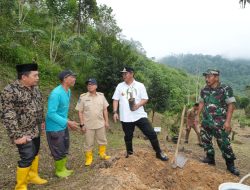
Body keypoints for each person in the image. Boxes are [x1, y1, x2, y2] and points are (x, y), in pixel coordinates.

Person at [0, 63, 48, 190]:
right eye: (35, 75)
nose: (38, 78)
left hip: (35, 128)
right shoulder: (10, 91)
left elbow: (39, 107)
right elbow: (8, 114)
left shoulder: (35, 88)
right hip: (22, 131)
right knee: (27, 156)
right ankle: (21, 186)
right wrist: (16, 135)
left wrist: (42, 123)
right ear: (24, 77)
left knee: (35, 152)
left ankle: (32, 176)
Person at [112, 66, 168, 161]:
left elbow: (145, 98)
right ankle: (130, 154)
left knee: (151, 133)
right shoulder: (120, 86)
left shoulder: (140, 85)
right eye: (123, 74)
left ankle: (159, 152)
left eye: (125, 73)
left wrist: (137, 105)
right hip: (126, 117)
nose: (123, 75)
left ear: (132, 74)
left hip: (139, 115)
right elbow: (115, 99)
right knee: (128, 136)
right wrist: (114, 112)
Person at [197, 69, 240, 176]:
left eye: (209, 76)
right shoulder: (204, 89)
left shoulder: (226, 89)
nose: (207, 79)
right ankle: (210, 158)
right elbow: (201, 102)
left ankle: (230, 164)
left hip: (220, 122)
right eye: (206, 77)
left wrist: (228, 122)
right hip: (206, 120)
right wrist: (197, 116)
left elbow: (231, 105)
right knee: (205, 139)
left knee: (224, 143)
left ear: (216, 77)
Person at [45, 70, 78, 178]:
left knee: (64, 147)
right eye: (72, 77)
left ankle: (63, 168)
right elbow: (51, 113)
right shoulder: (56, 93)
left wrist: (67, 122)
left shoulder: (68, 91)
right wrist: (67, 122)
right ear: (65, 79)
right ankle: (59, 171)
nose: (74, 79)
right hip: (54, 127)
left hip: (62, 125)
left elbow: (62, 111)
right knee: (58, 149)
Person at [75, 78, 110, 166]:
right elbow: (80, 111)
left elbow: (105, 109)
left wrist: (106, 121)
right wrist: (82, 124)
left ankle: (102, 154)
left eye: (91, 84)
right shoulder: (83, 97)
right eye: (88, 85)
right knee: (88, 143)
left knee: (102, 140)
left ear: (96, 86)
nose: (89, 86)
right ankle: (89, 158)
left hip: (100, 124)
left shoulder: (101, 96)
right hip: (88, 125)